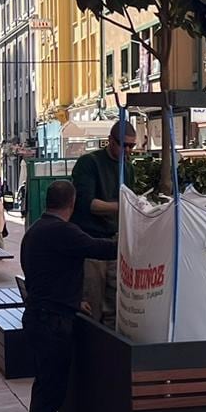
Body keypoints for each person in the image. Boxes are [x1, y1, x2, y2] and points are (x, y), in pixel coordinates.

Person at [19, 179, 117, 412]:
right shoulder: (63, 231)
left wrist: (73, 300)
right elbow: (101, 249)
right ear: (72, 204)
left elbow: (48, 276)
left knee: (44, 395)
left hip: (41, 316)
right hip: (52, 324)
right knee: (48, 398)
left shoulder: (37, 230)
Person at [71, 121, 136, 327]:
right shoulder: (89, 163)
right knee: (93, 303)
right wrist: (124, 205)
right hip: (92, 241)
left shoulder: (128, 168)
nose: (127, 150)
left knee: (116, 304)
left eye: (131, 146)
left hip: (115, 242)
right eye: (123, 144)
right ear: (110, 141)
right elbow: (89, 204)